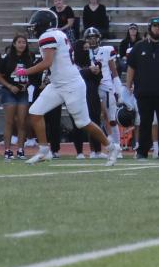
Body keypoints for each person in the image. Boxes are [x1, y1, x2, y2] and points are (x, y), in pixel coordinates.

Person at [24, 9, 116, 164]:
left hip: (71, 84)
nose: (34, 28)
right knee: (35, 112)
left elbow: (47, 62)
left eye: (36, 25)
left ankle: (112, 147)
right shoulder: (59, 34)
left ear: (43, 24)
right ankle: (44, 151)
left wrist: (25, 71)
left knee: (83, 122)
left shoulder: (48, 36)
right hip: (58, 84)